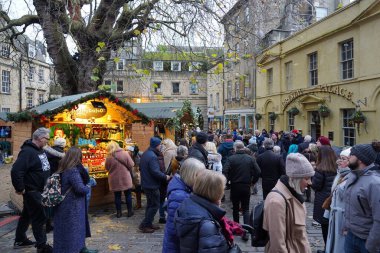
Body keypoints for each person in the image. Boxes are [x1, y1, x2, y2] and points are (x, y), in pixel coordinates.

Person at [11, 127, 52, 252]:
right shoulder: (28, 152)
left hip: (40, 190)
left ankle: (20, 239)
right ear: (40, 138)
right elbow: (16, 170)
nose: (48, 141)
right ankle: (42, 246)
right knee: (40, 217)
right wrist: (20, 188)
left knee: (27, 215)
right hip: (33, 191)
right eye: (47, 139)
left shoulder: (40, 150)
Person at [263, 153, 314, 253]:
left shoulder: (295, 194)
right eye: (307, 178)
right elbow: (278, 246)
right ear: (296, 178)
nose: (310, 183)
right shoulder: (277, 202)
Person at [53, 146, 97, 253]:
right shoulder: (72, 170)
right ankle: (74, 249)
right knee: (73, 230)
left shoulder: (63, 166)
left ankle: (72, 248)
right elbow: (80, 188)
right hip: (72, 205)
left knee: (66, 230)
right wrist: (89, 185)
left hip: (65, 204)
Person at [175, 170, 229, 253]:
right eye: (222, 189)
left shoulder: (187, 203)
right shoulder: (207, 223)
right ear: (215, 192)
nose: (223, 193)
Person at [162, 158, 205, 253]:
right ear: (191, 175)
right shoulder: (179, 196)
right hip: (177, 247)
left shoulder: (184, 187)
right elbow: (175, 229)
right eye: (199, 175)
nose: (202, 178)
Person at [344, 144, 380, 253]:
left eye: (351, 154)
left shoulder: (375, 183)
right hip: (351, 236)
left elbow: (379, 219)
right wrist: (346, 227)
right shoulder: (352, 176)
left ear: (360, 159)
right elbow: (348, 205)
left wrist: (371, 245)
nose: (348, 157)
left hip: (366, 241)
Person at [223, 141, 260, 224]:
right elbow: (258, 171)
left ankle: (237, 227)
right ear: (243, 147)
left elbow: (225, 170)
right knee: (246, 209)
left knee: (235, 208)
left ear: (235, 148)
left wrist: (227, 182)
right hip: (246, 185)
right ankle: (246, 231)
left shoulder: (231, 158)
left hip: (235, 185)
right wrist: (253, 181)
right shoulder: (250, 158)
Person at [139, 137, 170, 233]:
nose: (161, 146)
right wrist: (165, 177)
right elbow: (155, 172)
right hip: (151, 185)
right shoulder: (152, 156)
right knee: (154, 205)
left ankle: (148, 223)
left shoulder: (146, 153)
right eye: (160, 144)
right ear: (157, 145)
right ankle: (145, 224)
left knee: (150, 204)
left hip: (147, 183)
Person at [325, 148, 351, 253]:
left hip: (342, 218)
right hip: (335, 216)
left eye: (343, 159)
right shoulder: (340, 175)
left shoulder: (351, 177)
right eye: (339, 158)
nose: (338, 161)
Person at [311, 146, 337, 252]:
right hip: (333, 200)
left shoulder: (320, 168)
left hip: (323, 201)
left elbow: (316, 185)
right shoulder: (337, 167)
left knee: (325, 228)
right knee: (333, 227)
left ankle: (327, 248)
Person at [105, 141, 135, 218]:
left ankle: (119, 213)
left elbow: (107, 168)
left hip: (114, 179)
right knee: (128, 194)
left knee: (117, 196)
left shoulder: (108, 157)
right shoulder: (125, 153)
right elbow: (131, 164)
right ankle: (129, 212)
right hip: (125, 177)